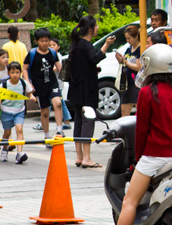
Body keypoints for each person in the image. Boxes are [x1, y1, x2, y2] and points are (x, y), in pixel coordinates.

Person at [88, 44, 172, 225]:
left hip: (156, 156)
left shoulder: (147, 92)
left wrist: (137, 158)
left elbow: (142, 129)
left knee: (129, 202)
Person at [68, 15, 115, 168]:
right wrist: (107, 44)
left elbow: (84, 64)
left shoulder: (75, 44)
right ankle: (87, 158)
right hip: (86, 89)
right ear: (90, 29)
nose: (98, 28)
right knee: (88, 121)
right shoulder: (86, 45)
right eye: (96, 26)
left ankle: (79, 156)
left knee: (79, 122)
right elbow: (95, 58)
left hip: (76, 89)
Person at [23, 28, 63, 141]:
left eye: (46, 41)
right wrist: (28, 84)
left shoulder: (53, 52)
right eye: (42, 41)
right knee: (45, 112)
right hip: (39, 86)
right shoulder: (32, 54)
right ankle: (46, 135)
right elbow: (25, 69)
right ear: (36, 41)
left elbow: (59, 66)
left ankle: (59, 130)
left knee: (58, 103)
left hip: (52, 83)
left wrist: (64, 75)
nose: (44, 43)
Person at [0, 61, 33, 164]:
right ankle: (4, 150)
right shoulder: (4, 84)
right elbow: (0, 98)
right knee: (7, 133)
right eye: (12, 72)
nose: (15, 75)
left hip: (19, 111)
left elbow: (29, 93)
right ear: (9, 73)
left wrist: (32, 97)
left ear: (20, 72)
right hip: (6, 111)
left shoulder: (23, 83)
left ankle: (19, 153)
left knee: (19, 129)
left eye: (17, 72)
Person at [115, 25, 142, 116]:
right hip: (127, 83)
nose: (128, 41)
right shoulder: (129, 49)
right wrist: (120, 60)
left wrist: (125, 62)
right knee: (124, 112)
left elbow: (139, 67)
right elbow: (125, 63)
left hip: (137, 83)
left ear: (136, 37)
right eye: (126, 38)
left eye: (129, 38)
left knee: (140, 111)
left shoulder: (140, 49)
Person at [49, 38, 72, 132]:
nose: (51, 47)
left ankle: (67, 121)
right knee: (55, 103)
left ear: (58, 47)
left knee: (60, 103)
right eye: (50, 45)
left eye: (54, 45)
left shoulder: (58, 56)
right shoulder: (50, 55)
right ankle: (66, 121)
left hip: (58, 84)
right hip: (53, 84)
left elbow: (60, 68)